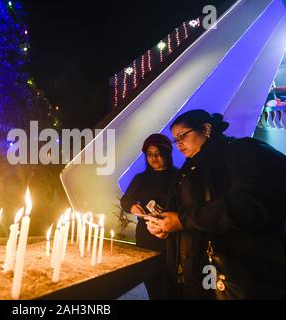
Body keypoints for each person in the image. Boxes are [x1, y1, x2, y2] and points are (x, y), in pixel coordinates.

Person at [145, 109, 286, 299]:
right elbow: (180, 213)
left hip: (234, 277)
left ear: (206, 128)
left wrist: (182, 220)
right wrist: (164, 225)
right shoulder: (186, 171)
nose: (178, 143)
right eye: (174, 139)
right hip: (193, 276)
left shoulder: (242, 151)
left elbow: (248, 204)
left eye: (182, 136)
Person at [120, 133, 178, 299]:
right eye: (150, 154)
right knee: (151, 279)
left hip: (171, 235)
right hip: (146, 235)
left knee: (170, 281)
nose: (154, 158)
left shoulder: (177, 177)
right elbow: (125, 201)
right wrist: (132, 207)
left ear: (167, 154)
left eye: (158, 154)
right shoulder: (141, 178)